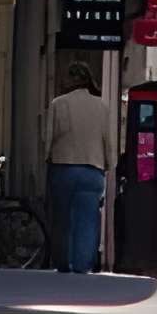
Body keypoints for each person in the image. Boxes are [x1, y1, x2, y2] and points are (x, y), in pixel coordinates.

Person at [46, 61, 113, 274]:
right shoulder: (101, 107)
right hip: (92, 168)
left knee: (62, 218)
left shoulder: (58, 104)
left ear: (70, 80)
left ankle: (63, 262)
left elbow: (49, 138)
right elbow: (107, 141)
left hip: (63, 167)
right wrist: (108, 163)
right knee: (88, 219)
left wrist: (46, 158)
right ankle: (81, 265)